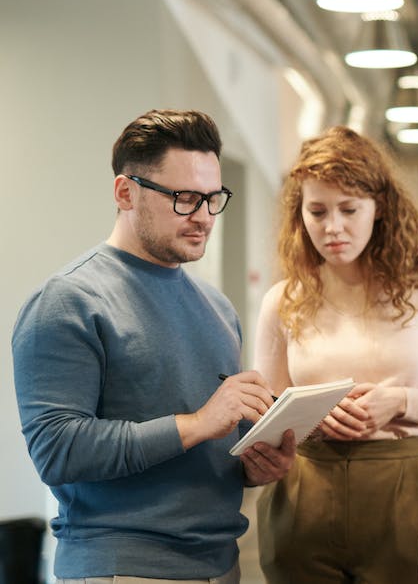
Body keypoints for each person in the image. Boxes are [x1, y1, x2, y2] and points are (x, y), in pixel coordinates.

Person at [12, 109, 295, 583]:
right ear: (126, 192)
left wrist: (252, 466)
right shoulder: (68, 301)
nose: (204, 217)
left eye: (212, 199)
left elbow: (200, 448)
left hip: (221, 564)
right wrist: (199, 422)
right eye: (185, 199)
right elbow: (57, 451)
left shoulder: (218, 308)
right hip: (124, 568)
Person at [252, 126, 418, 583]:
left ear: (380, 208)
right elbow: (264, 415)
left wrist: (403, 402)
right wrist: (306, 414)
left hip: (400, 486)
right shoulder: (282, 299)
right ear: (300, 215)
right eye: (317, 211)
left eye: (349, 209)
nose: (333, 227)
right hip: (303, 488)